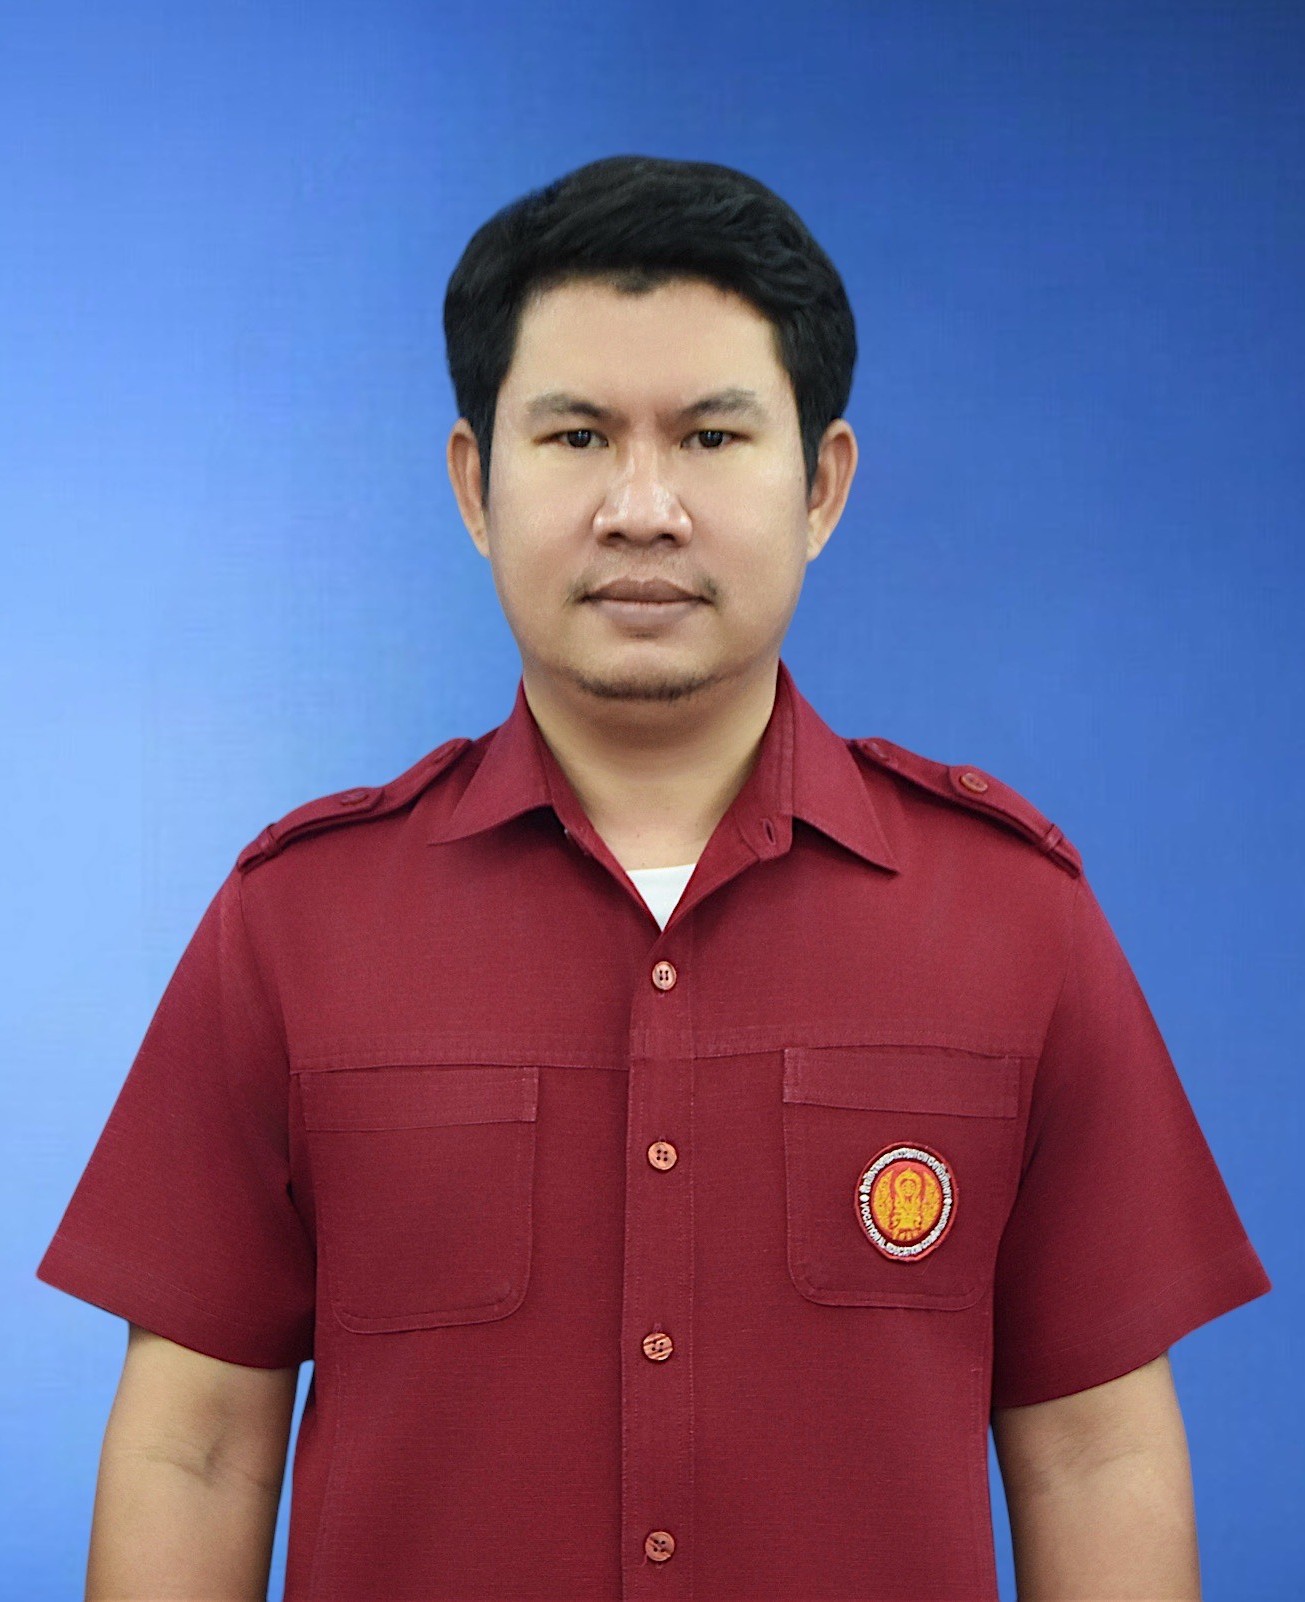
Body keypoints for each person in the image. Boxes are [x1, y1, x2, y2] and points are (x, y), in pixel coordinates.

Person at [37, 153, 1269, 1602]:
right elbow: (196, 1446)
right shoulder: (295, 925)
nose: (641, 507)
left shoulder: (1014, 921)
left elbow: (1092, 1452)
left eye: (708, 436)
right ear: (473, 484)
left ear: (820, 485)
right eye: (574, 436)